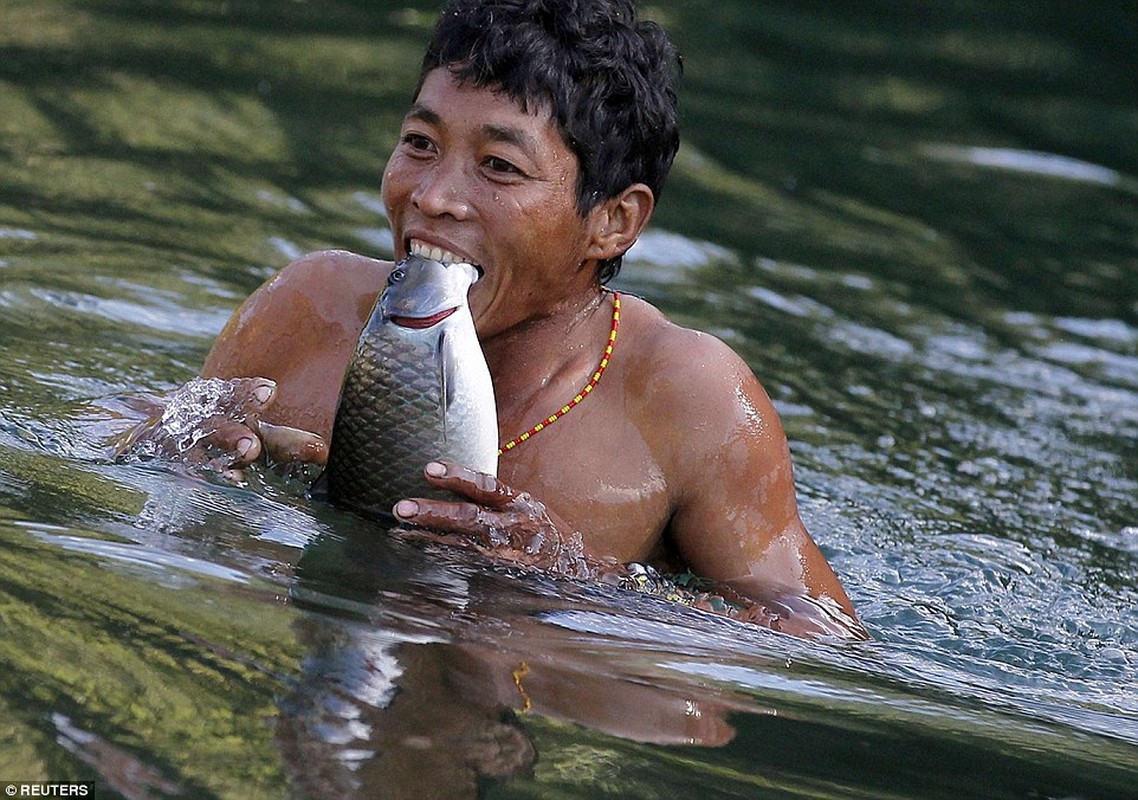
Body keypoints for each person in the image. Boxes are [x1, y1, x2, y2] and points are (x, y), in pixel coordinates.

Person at [121, 0, 867, 640]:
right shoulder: (308, 308)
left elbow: (823, 641)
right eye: (420, 144)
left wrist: (576, 587)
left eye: (499, 166)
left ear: (612, 221)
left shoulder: (689, 400)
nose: (435, 196)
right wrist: (168, 448)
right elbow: (99, 435)